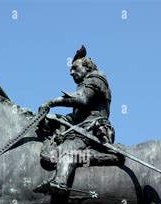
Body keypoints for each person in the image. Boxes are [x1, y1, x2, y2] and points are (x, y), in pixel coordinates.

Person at [34, 45, 116, 195]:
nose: (71, 73)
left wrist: (51, 102)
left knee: (68, 150)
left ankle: (59, 182)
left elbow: (82, 99)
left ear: (87, 67)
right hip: (80, 127)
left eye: (74, 68)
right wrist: (50, 119)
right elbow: (74, 117)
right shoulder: (84, 85)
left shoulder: (96, 78)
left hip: (92, 129)